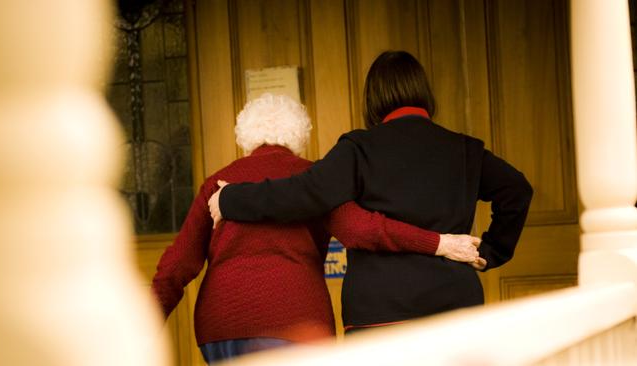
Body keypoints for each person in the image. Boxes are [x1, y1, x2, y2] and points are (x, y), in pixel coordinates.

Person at [209, 51, 533, 334]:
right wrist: (492, 251)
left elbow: (302, 193)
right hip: (454, 305)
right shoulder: (464, 150)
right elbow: (517, 190)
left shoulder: (358, 149)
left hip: (379, 313)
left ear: (373, 99)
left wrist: (230, 199)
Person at [151, 93, 483, 364]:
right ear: (300, 136)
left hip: (220, 328)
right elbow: (361, 229)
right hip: (295, 324)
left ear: (244, 137)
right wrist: (438, 242)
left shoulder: (218, 183)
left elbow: (178, 264)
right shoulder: (315, 180)